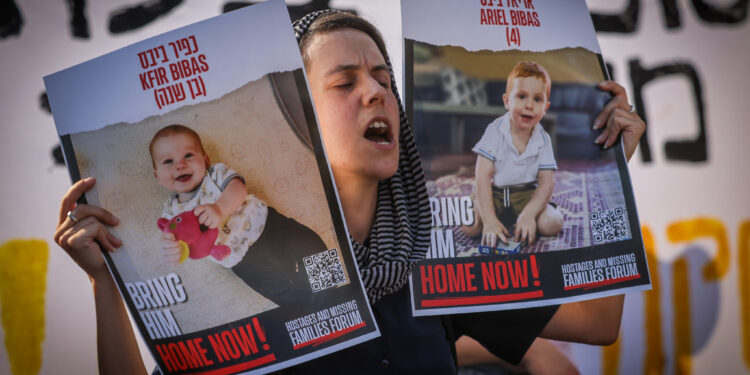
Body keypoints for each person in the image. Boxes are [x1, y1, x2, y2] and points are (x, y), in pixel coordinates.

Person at [54, 10, 646, 375]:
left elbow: (597, 320)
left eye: (385, 79)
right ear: (305, 120)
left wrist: (608, 166)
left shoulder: (433, 259)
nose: (375, 92)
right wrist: (104, 282)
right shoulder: (279, 259)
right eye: (345, 82)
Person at [150, 124, 328, 308]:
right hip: (244, 261)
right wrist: (171, 248)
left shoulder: (214, 175)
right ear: (157, 176)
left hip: (268, 226)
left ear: (205, 160)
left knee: (311, 245)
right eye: (168, 161)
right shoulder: (171, 212)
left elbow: (238, 188)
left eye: (188, 155)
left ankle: (332, 292)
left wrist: (220, 208)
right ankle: (311, 308)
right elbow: (171, 237)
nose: (180, 165)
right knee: (281, 292)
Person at [466, 60, 563, 249]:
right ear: (506, 101)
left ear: (546, 107)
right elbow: (482, 177)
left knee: (552, 224)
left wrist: (529, 214)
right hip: (493, 192)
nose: (529, 105)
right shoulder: (494, 131)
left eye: (537, 99)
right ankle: (493, 217)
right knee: (470, 226)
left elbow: (546, 183)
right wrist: (489, 219)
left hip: (526, 194)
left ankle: (521, 216)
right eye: (522, 96)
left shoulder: (543, 139)